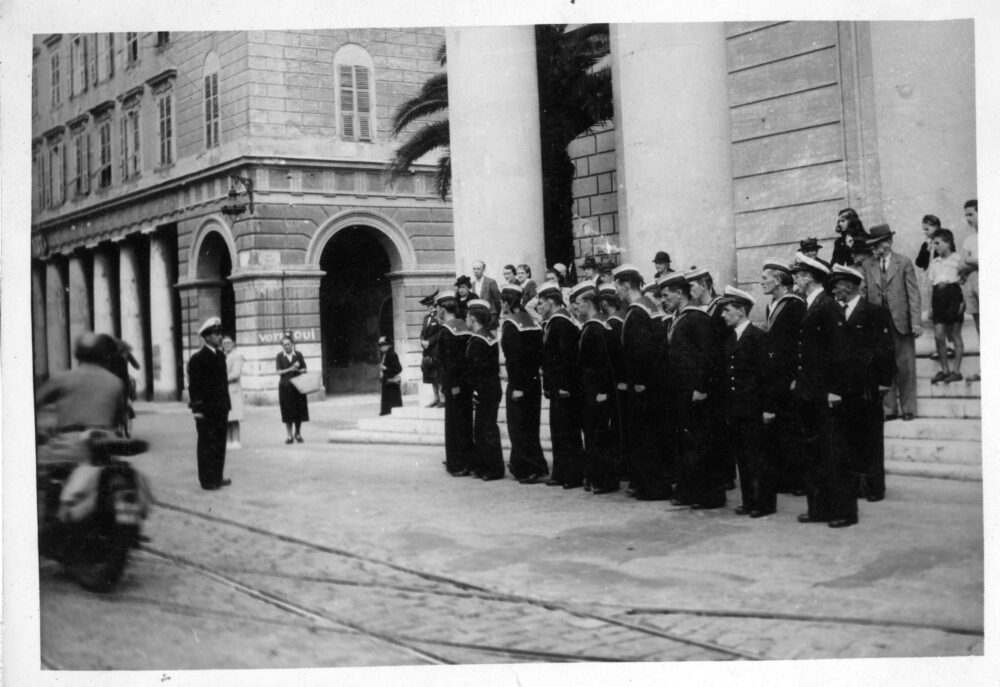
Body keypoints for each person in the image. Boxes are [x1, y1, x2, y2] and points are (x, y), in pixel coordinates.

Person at [789, 254, 854, 528]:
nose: (794, 279)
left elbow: (840, 352)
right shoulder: (812, 304)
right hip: (810, 391)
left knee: (832, 453)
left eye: (797, 274)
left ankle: (843, 512)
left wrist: (836, 389)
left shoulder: (827, 306)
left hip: (825, 392)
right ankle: (819, 508)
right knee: (814, 451)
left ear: (808, 277)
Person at [828, 265, 895, 503]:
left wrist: (884, 381)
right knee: (849, 436)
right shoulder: (835, 312)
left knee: (871, 436)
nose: (834, 288)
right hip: (844, 388)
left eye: (837, 284)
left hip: (868, 386)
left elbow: (885, 349)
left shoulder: (873, 312)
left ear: (849, 286)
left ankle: (875, 487)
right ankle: (856, 486)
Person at [663, 270, 721, 508]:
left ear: (679, 293)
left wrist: (701, 386)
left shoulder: (697, 318)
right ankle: (689, 491)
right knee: (686, 443)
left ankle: (709, 496)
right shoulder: (680, 317)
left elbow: (710, 355)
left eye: (666, 295)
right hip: (681, 391)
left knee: (699, 443)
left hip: (695, 392)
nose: (663, 300)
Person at [614, 264, 672, 501]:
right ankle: (644, 483)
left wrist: (637, 381)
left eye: (617, 286)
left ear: (626, 285)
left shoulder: (637, 311)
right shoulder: (648, 308)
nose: (616, 291)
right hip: (653, 385)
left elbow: (640, 352)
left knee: (645, 437)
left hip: (643, 388)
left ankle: (651, 486)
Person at [717, 286, 772, 517]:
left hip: (754, 409)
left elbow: (767, 377)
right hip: (737, 409)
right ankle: (749, 501)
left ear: (740, 311)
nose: (723, 315)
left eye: (727, 310)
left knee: (758, 457)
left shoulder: (758, 338)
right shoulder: (730, 339)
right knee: (743, 458)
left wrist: (769, 408)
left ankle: (764, 503)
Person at [858, 223, 922, 421]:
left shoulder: (903, 262)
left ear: (888, 243)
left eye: (877, 244)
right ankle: (889, 409)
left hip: (901, 322)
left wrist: (916, 321)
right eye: (873, 245)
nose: (874, 248)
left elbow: (913, 294)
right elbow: (863, 293)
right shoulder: (868, 265)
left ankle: (909, 408)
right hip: (878, 324)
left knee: (906, 366)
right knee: (884, 366)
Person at [36, 332, 128, 466]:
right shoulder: (115, 382)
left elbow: (33, 405)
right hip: (104, 447)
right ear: (104, 355)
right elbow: (119, 417)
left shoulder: (62, 379)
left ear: (77, 354)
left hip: (68, 445)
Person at [758, 258, 808, 496]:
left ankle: (799, 479)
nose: (761, 283)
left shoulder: (795, 304)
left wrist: (798, 373)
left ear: (778, 280)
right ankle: (785, 478)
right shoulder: (772, 305)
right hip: (775, 374)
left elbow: (800, 342)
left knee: (793, 427)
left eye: (765, 279)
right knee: (779, 427)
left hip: (789, 375)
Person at [570, 282, 619, 494]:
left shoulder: (596, 328)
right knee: (593, 435)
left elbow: (603, 364)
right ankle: (595, 477)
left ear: (589, 303)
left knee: (598, 437)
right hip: (589, 390)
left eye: (578, 303)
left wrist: (601, 391)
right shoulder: (595, 325)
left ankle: (603, 479)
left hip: (596, 392)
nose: (576, 308)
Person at [499, 283, 549, 484]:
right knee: (531, 426)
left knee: (518, 427)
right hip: (533, 381)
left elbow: (514, 358)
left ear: (505, 303)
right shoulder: (532, 322)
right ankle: (535, 464)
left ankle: (526, 468)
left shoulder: (511, 324)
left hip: (519, 382)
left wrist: (518, 386)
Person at [537, 280, 584, 489]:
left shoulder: (562, 322)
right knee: (558, 430)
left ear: (550, 302)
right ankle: (561, 472)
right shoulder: (556, 322)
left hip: (565, 387)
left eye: (541, 303)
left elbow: (567, 357)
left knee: (567, 431)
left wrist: (564, 385)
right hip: (557, 386)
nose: (539, 307)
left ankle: (572, 474)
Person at [187, 317, 232, 490]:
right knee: (206, 444)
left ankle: (217, 476)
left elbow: (223, 383)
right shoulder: (197, 359)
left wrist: (227, 404)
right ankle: (207, 480)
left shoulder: (220, 356)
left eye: (220, 334)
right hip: (206, 410)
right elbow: (195, 387)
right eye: (216, 334)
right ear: (206, 338)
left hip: (221, 408)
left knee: (220, 443)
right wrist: (197, 409)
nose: (220, 337)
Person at [465, 300, 504, 481]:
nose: (465, 319)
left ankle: (491, 469)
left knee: (484, 430)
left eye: (467, 316)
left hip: (483, 390)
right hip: (493, 388)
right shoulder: (489, 337)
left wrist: (475, 392)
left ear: (473, 319)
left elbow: (476, 370)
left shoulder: (477, 341)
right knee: (487, 427)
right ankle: (485, 467)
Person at [437, 290, 475, 476]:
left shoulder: (446, 331)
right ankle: (468, 460)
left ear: (443, 310)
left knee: (454, 424)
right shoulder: (464, 326)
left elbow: (448, 362)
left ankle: (457, 463)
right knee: (466, 422)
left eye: (438, 308)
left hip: (454, 383)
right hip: (467, 382)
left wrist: (452, 385)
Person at [928, 228, 966, 383]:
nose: (934, 246)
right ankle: (945, 370)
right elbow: (932, 285)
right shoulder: (934, 262)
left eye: (937, 243)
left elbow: (963, 281)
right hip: (938, 298)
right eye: (933, 243)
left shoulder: (958, 259)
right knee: (938, 335)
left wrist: (962, 303)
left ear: (948, 243)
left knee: (955, 334)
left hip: (953, 297)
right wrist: (931, 307)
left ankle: (956, 371)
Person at [598, 282, 627, 483]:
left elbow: (613, 359)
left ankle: (620, 467)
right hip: (623, 384)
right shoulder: (624, 318)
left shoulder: (613, 324)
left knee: (618, 427)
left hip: (617, 385)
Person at [959, 199, 979, 381]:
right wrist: (974, 262)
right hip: (972, 287)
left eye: (971, 214)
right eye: (966, 215)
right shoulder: (970, 239)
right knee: (980, 325)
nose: (967, 218)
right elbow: (961, 264)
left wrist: (972, 262)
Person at [276, 334, 309, 443]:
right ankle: (289, 435)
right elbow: (278, 371)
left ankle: (298, 433)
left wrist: (299, 370)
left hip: (298, 386)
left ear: (292, 344)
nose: (286, 347)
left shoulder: (298, 355)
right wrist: (291, 368)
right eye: (284, 345)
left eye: (288, 344)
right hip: (285, 387)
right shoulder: (280, 356)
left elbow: (304, 368)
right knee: (287, 411)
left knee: (299, 411)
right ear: (282, 346)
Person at [419, 291, 444, 408]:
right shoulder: (425, 318)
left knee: (438, 375)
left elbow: (440, 333)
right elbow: (423, 333)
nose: (429, 308)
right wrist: (422, 341)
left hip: (436, 349)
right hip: (427, 351)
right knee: (430, 376)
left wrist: (430, 341)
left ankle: (443, 399)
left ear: (435, 305)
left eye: (431, 306)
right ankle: (436, 398)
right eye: (427, 306)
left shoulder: (438, 317)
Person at [222, 334, 244, 449]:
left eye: (228, 342)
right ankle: (228, 441)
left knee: (234, 417)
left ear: (234, 343)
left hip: (233, 388)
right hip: (224, 389)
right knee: (226, 417)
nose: (226, 345)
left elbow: (235, 373)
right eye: (224, 343)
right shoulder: (223, 355)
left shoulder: (237, 355)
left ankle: (236, 440)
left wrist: (220, 378)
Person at [378, 336, 403, 416]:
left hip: (392, 383)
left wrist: (385, 369)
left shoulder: (392, 354)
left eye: (383, 345)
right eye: (380, 345)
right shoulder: (384, 354)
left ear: (388, 345)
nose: (381, 347)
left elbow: (398, 368)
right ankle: (386, 412)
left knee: (393, 403)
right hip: (387, 383)